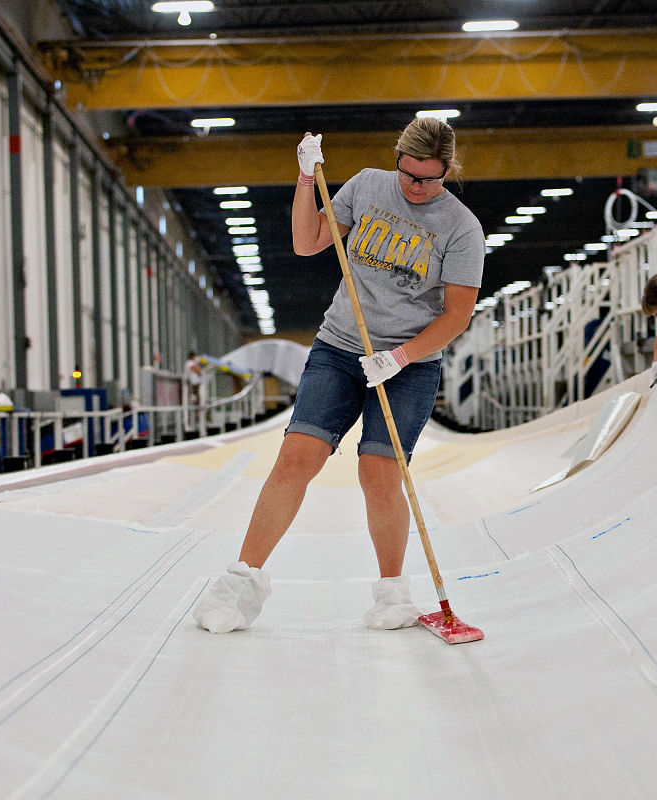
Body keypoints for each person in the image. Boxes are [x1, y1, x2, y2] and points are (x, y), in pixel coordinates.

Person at [193, 117, 484, 633]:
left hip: (408, 365)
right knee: (295, 456)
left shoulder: (461, 227)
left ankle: (392, 593)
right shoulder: (367, 186)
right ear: (398, 160)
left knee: (378, 470)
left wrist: (400, 358)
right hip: (338, 347)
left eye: (430, 179)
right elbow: (308, 243)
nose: (417, 187)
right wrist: (306, 181)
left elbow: (457, 315)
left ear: (447, 171)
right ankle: (241, 582)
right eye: (409, 175)